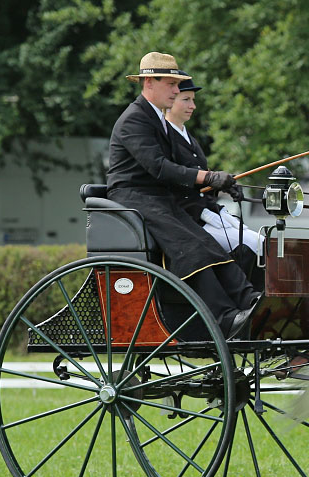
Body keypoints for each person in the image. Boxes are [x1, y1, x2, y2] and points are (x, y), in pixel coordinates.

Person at [106, 52, 258, 339]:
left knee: (208, 243)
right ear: (149, 82)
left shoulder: (156, 120)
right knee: (191, 248)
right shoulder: (133, 120)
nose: (177, 91)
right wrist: (208, 176)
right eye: (172, 84)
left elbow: (178, 170)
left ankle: (251, 301)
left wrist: (213, 184)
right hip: (133, 199)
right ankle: (225, 318)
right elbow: (160, 168)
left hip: (160, 198)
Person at [163, 78, 264, 267]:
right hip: (189, 220)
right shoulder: (166, 138)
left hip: (209, 211)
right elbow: (175, 179)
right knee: (252, 246)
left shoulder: (188, 137)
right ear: (170, 100)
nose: (192, 105)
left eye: (193, 100)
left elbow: (200, 181)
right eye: (186, 99)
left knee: (262, 242)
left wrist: (222, 186)